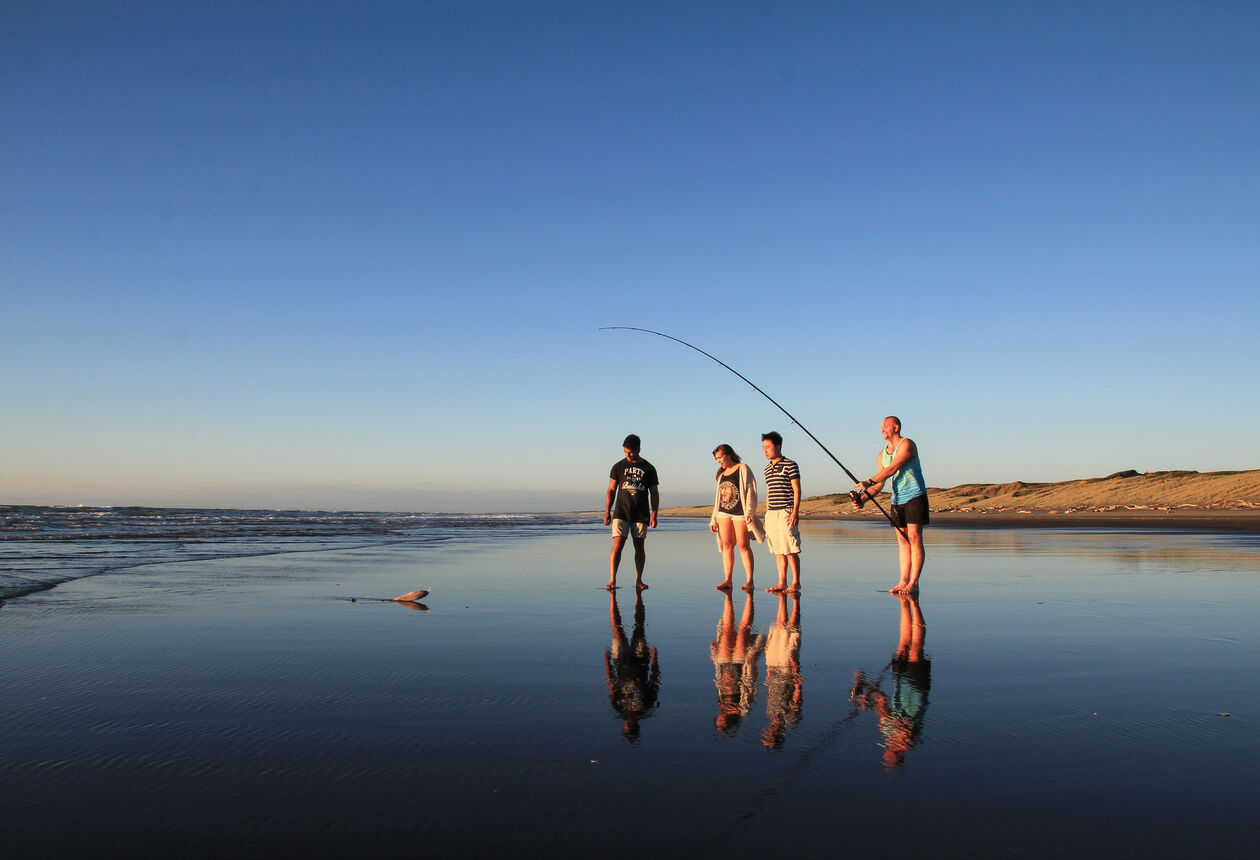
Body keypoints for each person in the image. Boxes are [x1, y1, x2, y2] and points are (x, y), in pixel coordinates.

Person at [853, 416, 928, 593]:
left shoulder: (907, 444)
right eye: (880, 427)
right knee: (903, 541)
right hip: (897, 500)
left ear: (896, 427)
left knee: (915, 538)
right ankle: (903, 581)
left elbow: (893, 468)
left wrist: (868, 481)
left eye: (885, 426)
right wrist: (863, 499)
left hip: (915, 496)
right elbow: (880, 484)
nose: (882, 430)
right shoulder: (881, 455)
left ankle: (914, 583)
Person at [603, 434, 659, 590]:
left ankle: (639, 580)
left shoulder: (649, 468)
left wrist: (655, 514)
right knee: (617, 545)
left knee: (639, 546)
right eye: (626, 451)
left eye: (631, 452)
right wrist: (607, 511)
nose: (628, 455)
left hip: (640, 512)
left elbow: (654, 493)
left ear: (639, 450)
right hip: (621, 512)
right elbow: (611, 490)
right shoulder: (618, 467)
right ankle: (612, 579)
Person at [709, 444, 763, 591]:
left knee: (743, 545)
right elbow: (718, 499)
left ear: (729, 454)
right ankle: (728, 580)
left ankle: (749, 581)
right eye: (716, 459)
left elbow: (751, 490)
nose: (718, 461)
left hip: (740, 513)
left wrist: (750, 513)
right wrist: (713, 519)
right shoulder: (721, 474)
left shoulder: (742, 468)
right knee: (727, 545)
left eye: (720, 457)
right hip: (723, 513)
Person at [761, 431, 802, 593]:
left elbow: (796, 489)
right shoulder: (767, 469)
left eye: (768, 447)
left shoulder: (790, 464)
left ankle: (796, 582)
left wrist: (795, 512)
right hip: (772, 513)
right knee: (778, 549)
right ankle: (781, 582)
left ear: (778, 446)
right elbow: (769, 492)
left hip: (786, 510)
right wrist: (766, 514)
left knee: (790, 548)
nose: (765, 450)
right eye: (763, 447)